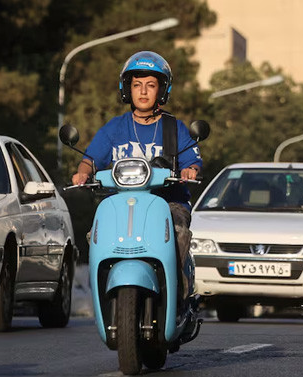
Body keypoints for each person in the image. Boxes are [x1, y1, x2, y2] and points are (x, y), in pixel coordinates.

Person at [70, 50, 203, 298]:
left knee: (178, 232)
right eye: (136, 85)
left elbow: (192, 161)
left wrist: (190, 170)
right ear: (126, 89)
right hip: (122, 203)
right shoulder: (115, 127)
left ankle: (177, 291)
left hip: (169, 203)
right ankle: (104, 289)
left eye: (150, 85)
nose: (143, 91)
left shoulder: (173, 128)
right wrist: (82, 173)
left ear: (162, 90)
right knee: (97, 231)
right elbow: (90, 160)